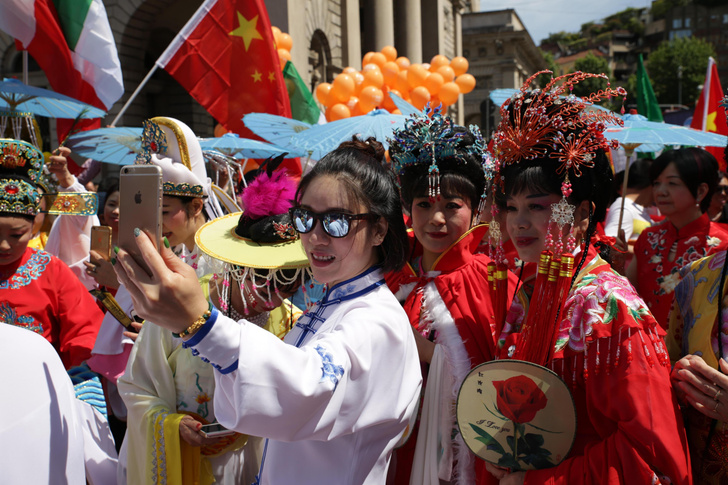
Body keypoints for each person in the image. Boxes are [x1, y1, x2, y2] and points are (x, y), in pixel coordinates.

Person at [113, 137, 421, 484]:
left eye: (337, 222)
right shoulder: (335, 305)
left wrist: (202, 324)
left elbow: (307, 387)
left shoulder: (376, 321)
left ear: (379, 229)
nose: (316, 237)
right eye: (305, 219)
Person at [488, 71, 691, 484]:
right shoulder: (535, 286)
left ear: (580, 214)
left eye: (538, 206)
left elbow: (651, 455)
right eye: (510, 207)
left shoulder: (609, 308)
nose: (519, 223)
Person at [119, 158, 307, 484]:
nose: (275, 296)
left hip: (258, 463)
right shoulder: (179, 304)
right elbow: (137, 385)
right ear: (237, 267)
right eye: (263, 280)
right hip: (188, 462)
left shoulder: (293, 321)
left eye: (288, 283)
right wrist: (172, 425)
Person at [386, 111, 515, 484]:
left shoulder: (490, 280)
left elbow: (493, 379)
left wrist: (426, 353)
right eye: (424, 205)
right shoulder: (391, 272)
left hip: (457, 453)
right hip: (391, 439)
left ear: (475, 211)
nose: (436, 219)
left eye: (451, 205)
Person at [0, 138, 104, 369]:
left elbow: (85, 328)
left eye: (16, 235)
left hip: (38, 381)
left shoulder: (50, 268)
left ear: (33, 226)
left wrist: (76, 375)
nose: (5, 246)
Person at [627, 148, 728, 329]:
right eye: (657, 183)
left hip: (700, 355)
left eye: (672, 183)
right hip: (648, 349)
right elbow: (631, 295)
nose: (660, 191)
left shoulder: (722, 245)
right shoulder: (648, 237)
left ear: (701, 191)